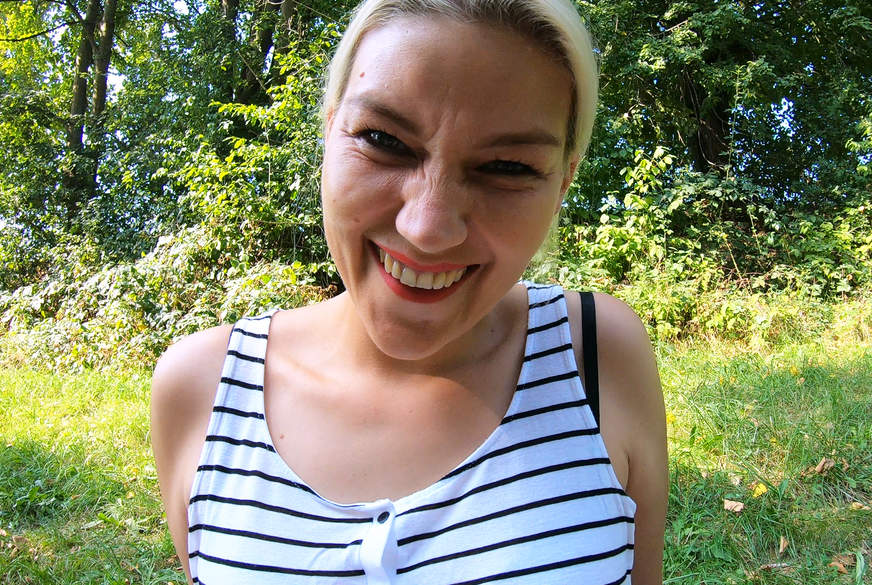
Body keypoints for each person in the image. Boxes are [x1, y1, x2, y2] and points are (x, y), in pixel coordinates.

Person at [150, 0, 668, 583]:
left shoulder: (599, 355)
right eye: (382, 139)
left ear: (563, 184)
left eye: (508, 167)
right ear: (328, 129)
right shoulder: (199, 389)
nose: (427, 228)